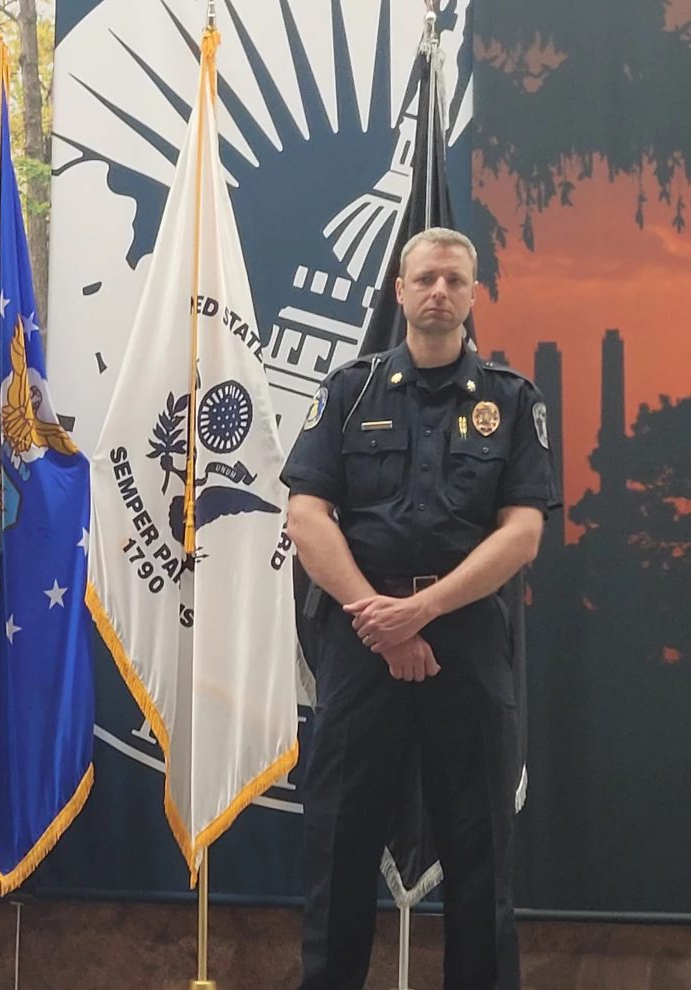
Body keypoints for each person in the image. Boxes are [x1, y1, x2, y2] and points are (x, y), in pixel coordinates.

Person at [281, 227, 560, 990]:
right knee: (338, 854)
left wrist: (422, 610)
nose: (439, 291)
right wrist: (379, 614)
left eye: (455, 280)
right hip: (359, 644)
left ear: (473, 296)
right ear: (399, 292)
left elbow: (524, 532)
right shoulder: (349, 390)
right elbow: (306, 516)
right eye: (425, 278)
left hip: (466, 648)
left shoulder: (512, 401)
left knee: (481, 861)